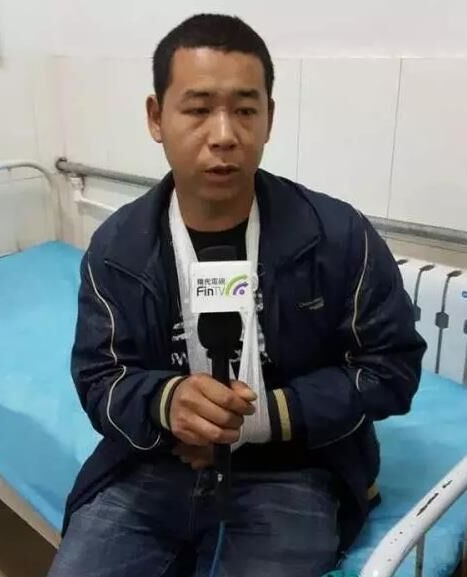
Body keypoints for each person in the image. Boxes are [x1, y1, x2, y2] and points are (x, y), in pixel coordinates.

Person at [47, 13, 426, 577]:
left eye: (245, 110)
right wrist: (167, 402)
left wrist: (266, 417)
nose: (224, 134)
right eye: (198, 109)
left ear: (270, 117)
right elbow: (101, 378)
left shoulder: (338, 237)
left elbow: (391, 369)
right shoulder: (116, 250)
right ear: (156, 117)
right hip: (155, 462)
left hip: (294, 468)